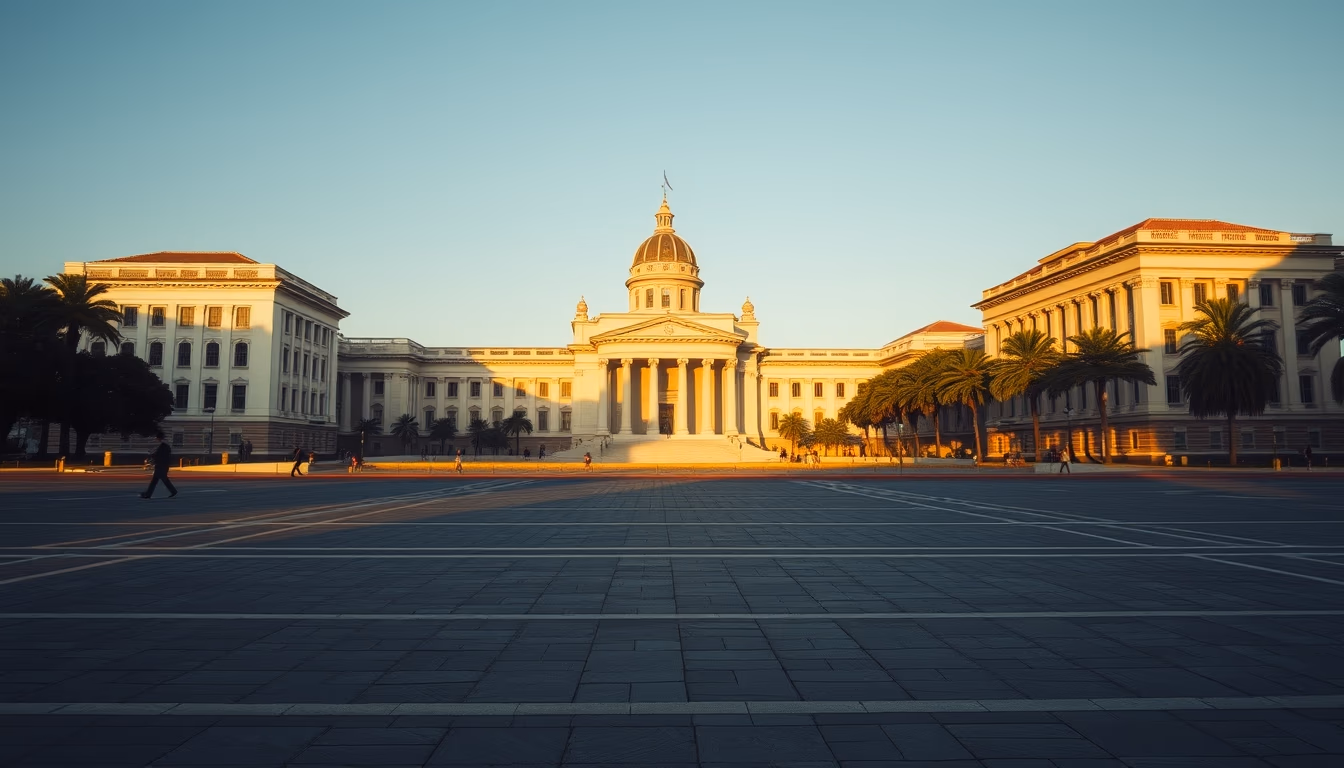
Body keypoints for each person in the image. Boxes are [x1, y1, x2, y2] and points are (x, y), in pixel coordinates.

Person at [140, 431, 178, 499]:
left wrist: (152, 455)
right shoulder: (165, 445)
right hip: (163, 465)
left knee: (157, 480)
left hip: (161, 466)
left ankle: (148, 494)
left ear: (159, 438)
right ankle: (173, 491)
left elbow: (160, 456)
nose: (156, 439)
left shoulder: (163, 446)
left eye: (157, 438)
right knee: (160, 480)